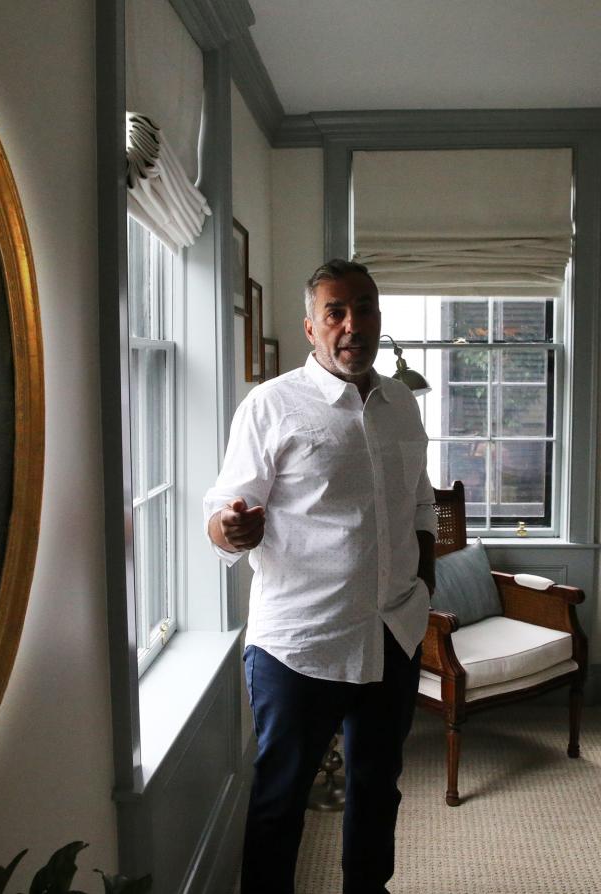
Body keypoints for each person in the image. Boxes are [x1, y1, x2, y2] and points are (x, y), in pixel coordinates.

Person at [204, 259, 436, 894]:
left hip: (392, 632)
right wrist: (232, 528)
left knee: (376, 787)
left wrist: (427, 572)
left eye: (364, 308)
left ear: (379, 318)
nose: (351, 324)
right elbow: (222, 510)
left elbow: (421, 500)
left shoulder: (401, 406)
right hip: (299, 644)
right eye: (335, 311)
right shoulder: (271, 406)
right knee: (280, 801)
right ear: (311, 327)